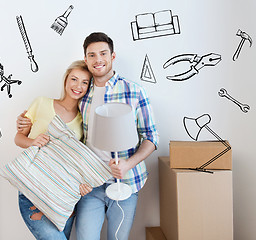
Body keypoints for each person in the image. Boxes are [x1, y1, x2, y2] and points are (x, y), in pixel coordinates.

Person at [17, 32, 159, 240]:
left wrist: (128, 164)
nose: (98, 59)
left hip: (126, 182)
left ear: (113, 56)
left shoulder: (134, 91)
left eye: (103, 53)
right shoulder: (82, 91)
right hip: (89, 184)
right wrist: (24, 123)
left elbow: (151, 137)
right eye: (91, 55)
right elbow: (62, 124)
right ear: (86, 59)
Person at [14, 60, 93, 240]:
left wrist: (82, 183)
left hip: (64, 194)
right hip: (33, 189)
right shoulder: (41, 103)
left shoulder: (84, 119)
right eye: (74, 79)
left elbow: (79, 160)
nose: (78, 86)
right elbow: (18, 138)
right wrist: (34, 141)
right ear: (66, 80)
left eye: (84, 82)